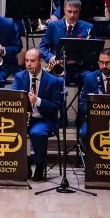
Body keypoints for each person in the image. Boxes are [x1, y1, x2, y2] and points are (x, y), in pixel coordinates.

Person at [11, 48, 63, 181]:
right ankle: (26, 164)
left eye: (32, 61)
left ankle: (40, 165)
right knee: (12, 131)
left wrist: (37, 101)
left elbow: (56, 106)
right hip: (23, 119)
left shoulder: (54, 81)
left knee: (37, 133)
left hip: (43, 119)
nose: (28, 64)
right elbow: (13, 98)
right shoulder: (19, 77)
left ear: (40, 61)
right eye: (26, 60)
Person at [38, 0, 94, 86]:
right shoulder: (53, 26)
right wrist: (51, 57)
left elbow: (92, 51)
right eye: (69, 11)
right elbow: (42, 47)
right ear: (64, 10)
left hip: (80, 69)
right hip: (58, 68)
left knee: (91, 78)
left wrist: (78, 59)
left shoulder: (88, 27)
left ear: (79, 11)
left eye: (75, 12)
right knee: (52, 81)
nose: (72, 15)